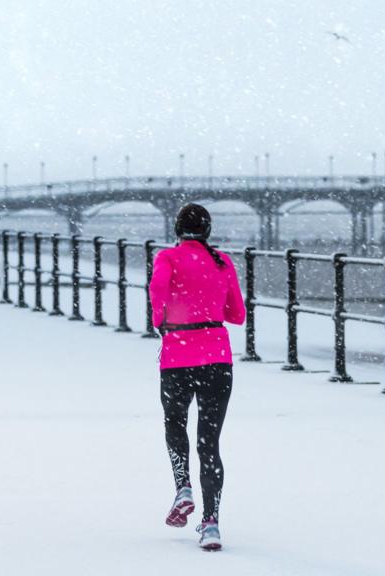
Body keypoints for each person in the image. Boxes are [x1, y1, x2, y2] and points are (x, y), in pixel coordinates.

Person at [150, 203, 245, 551]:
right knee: (209, 442)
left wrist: (163, 321)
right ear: (207, 230)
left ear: (177, 229)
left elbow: (157, 292)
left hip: (177, 356)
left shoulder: (168, 258)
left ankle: (183, 487)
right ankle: (211, 524)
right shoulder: (222, 262)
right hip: (216, 358)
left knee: (175, 424)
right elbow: (237, 315)